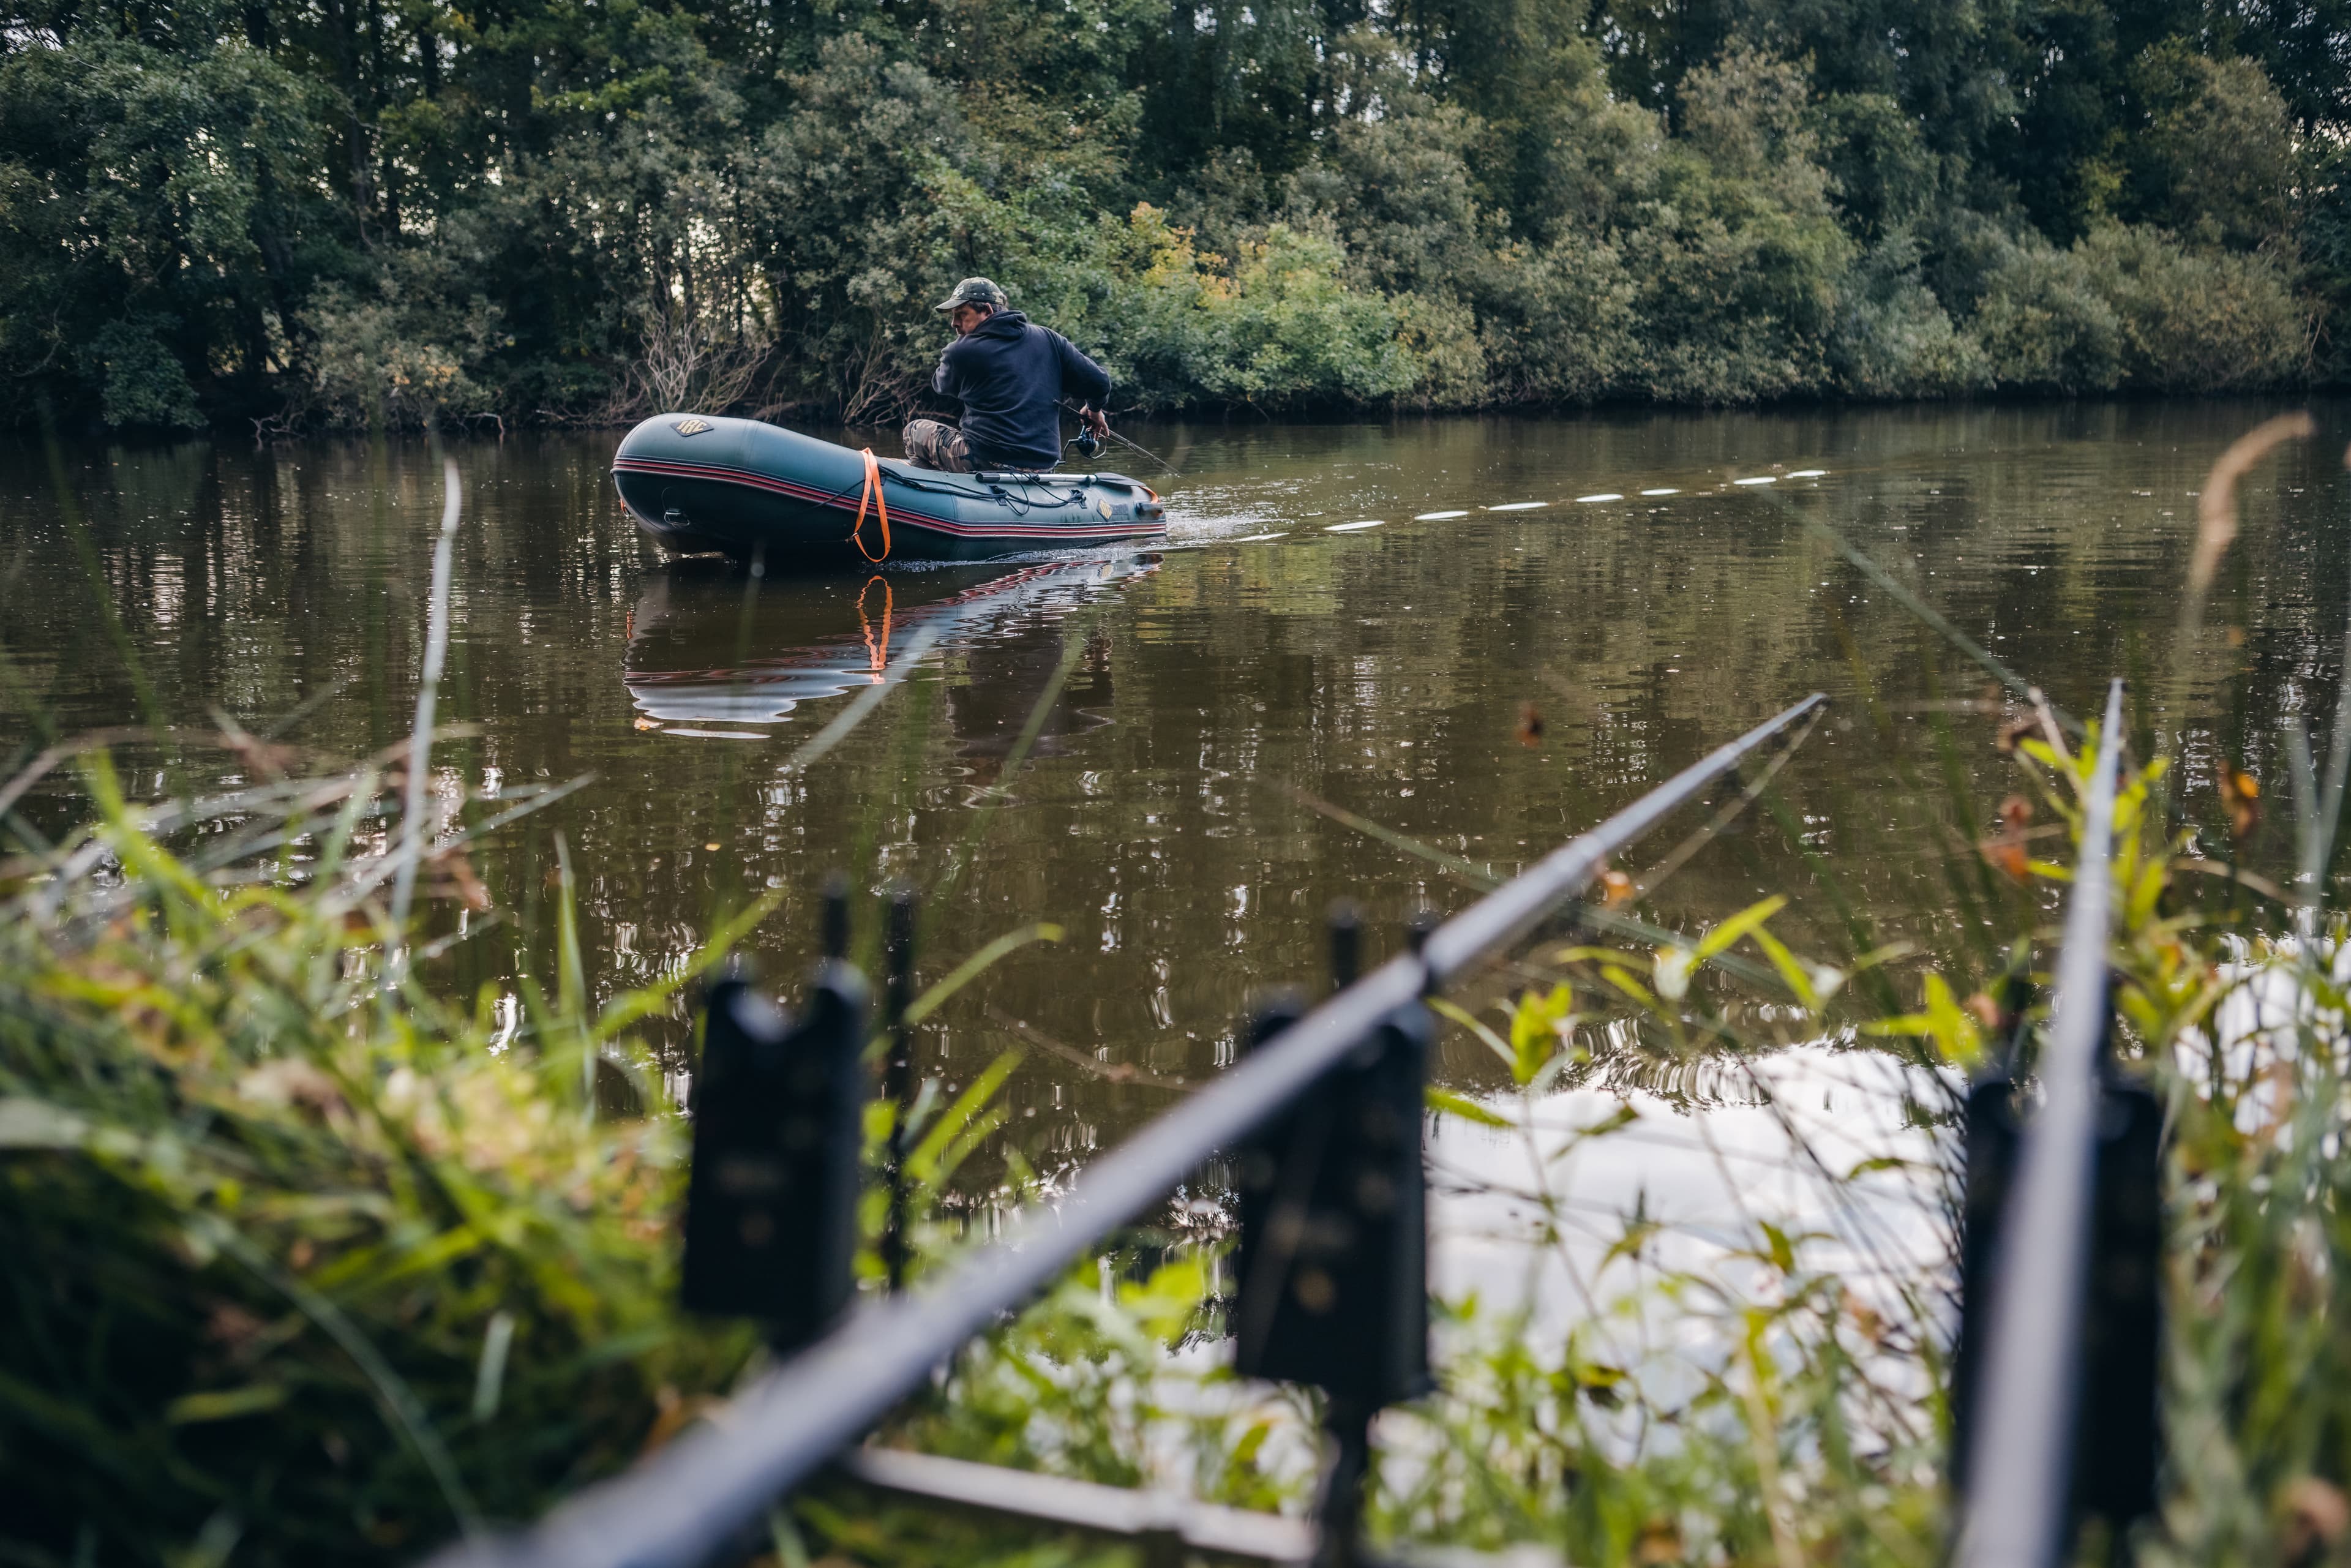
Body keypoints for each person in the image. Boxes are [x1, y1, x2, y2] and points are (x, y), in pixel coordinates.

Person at [903, 278, 1112, 474]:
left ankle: (936, 493)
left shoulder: (961, 351)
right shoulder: (1050, 339)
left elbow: (941, 385)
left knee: (913, 431)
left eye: (961, 314)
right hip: (1045, 465)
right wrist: (1094, 410)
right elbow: (1099, 382)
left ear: (986, 311)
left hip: (987, 460)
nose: (954, 323)